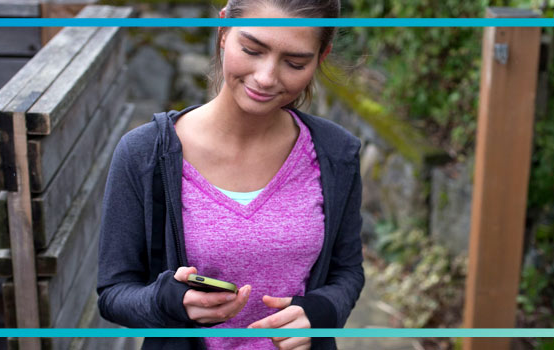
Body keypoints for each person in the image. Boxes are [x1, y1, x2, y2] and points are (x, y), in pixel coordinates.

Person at [96, 1, 363, 349]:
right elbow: (113, 293)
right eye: (252, 50)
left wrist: (320, 312)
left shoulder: (336, 153)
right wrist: (168, 301)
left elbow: (348, 273)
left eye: (295, 63)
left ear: (321, 57)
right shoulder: (143, 153)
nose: (266, 77)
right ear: (223, 29)